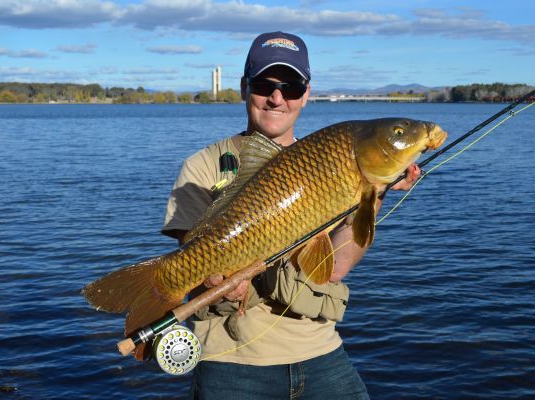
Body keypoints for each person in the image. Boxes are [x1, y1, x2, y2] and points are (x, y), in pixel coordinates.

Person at [161, 31, 420, 400]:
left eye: (291, 86)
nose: (277, 97)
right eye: (265, 84)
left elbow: (332, 269)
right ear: (243, 87)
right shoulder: (201, 167)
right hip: (233, 363)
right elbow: (193, 255)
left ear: (306, 94)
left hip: (320, 353)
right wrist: (216, 277)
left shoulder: (333, 162)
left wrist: (373, 194)